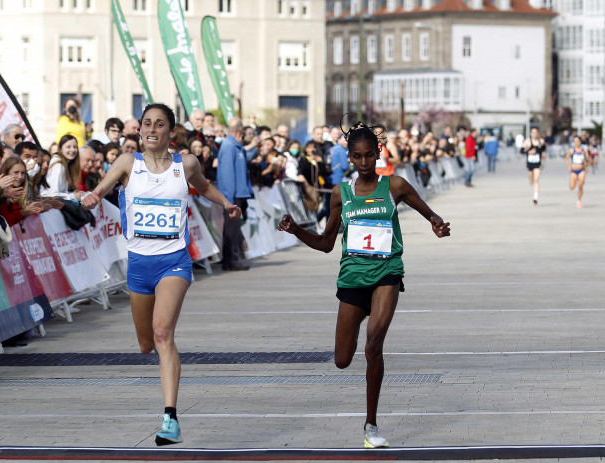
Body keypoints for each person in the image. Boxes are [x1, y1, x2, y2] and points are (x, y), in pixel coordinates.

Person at [277, 121, 451, 449]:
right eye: (357, 157)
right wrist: (296, 230)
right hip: (352, 277)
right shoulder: (341, 196)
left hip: (386, 273)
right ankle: (357, 321)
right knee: (342, 359)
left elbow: (431, 214)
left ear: (378, 154)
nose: (364, 163)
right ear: (350, 158)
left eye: (369, 155)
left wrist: (437, 224)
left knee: (373, 346)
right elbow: (327, 244)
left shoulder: (396, 186)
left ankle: (371, 424)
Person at [81, 103, 241, 446]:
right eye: (147, 124)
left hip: (174, 262)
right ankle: (163, 389)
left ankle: (170, 418)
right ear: (139, 130)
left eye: (159, 124)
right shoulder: (128, 163)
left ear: (171, 132)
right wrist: (93, 197)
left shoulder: (187, 164)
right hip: (139, 264)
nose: (152, 129)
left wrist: (225, 203)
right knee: (144, 344)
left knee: (162, 333)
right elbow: (104, 187)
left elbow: (204, 186)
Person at [217, 117, 253, 271]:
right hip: (233, 195)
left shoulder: (235, 146)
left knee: (234, 228)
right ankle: (231, 260)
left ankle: (232, 259)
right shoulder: (229, 146)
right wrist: (229, 200)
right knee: (231, 228)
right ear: (240, 130)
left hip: (239, 193)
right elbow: (227, 175)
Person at [0, 157, 44, 227]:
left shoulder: (19, 191)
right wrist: (23, 213)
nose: (20, 177)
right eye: (16, 172)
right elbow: (3, 221)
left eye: (23, 173)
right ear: (6, 172)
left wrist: (31, 208)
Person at [41, 133, 84, 201]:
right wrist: (73, 196)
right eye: (68, 147)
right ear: (61, 149)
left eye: (75, 147)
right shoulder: (59, 166)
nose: (72, 150)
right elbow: (53, 194)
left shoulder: (64, 164)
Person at [522, 128, 546, 205]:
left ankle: (535, 197)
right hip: (530, 163)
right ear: (531, 134)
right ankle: (530, 180)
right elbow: (522, 150)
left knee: (536, 179)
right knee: (531, 179)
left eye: (536, 133)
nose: (535, 134)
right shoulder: (527, 141)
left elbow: (543, 150)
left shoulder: (541, 141)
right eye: (533, 133)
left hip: (538, 163)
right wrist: (529, 151)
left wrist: (543, 154)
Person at [566, 135, 590, 209]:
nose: (576, 143)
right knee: (572, 187)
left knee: (580, 186)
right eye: (575, 142)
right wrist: (569, 167)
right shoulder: (572, 150)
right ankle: (575, 181)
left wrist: (585, 161)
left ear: (580, 142)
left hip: (581, 170)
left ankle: (579, 200)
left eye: (578, 141)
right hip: (574, 170)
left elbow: (588, 160)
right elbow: (566, 159)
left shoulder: (584, 150)